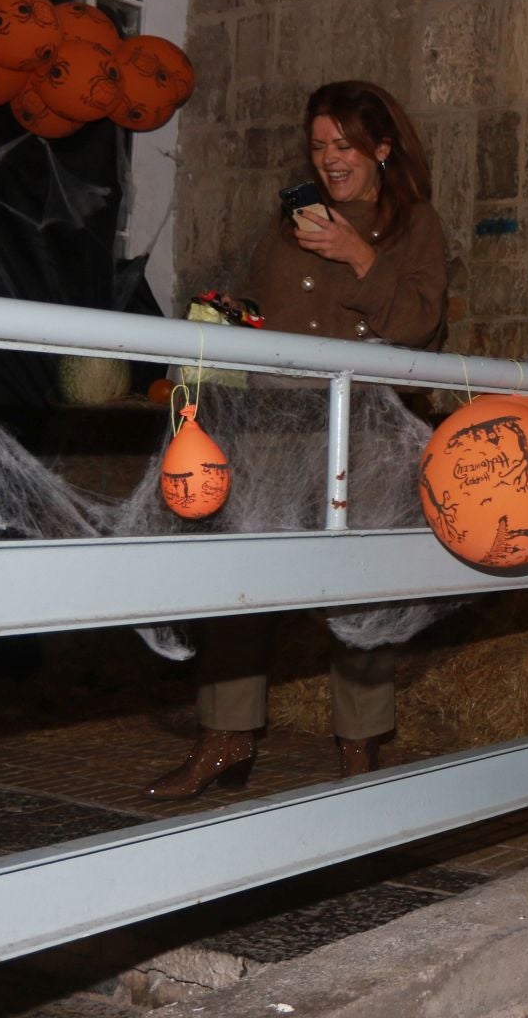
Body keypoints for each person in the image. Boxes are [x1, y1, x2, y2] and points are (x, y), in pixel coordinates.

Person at [144, 81, 449, 799]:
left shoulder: (414, 225)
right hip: (273, 427)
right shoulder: (285, 220)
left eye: (343, 144)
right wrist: (227, 321)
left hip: (366, 431)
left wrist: (358, 255)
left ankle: (360, 749)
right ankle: (225, 738)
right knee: (245, 578)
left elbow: (420, 327)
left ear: (381, 147)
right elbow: (267, 311)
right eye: (318, 145)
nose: (329, 158)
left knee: (359, 591)